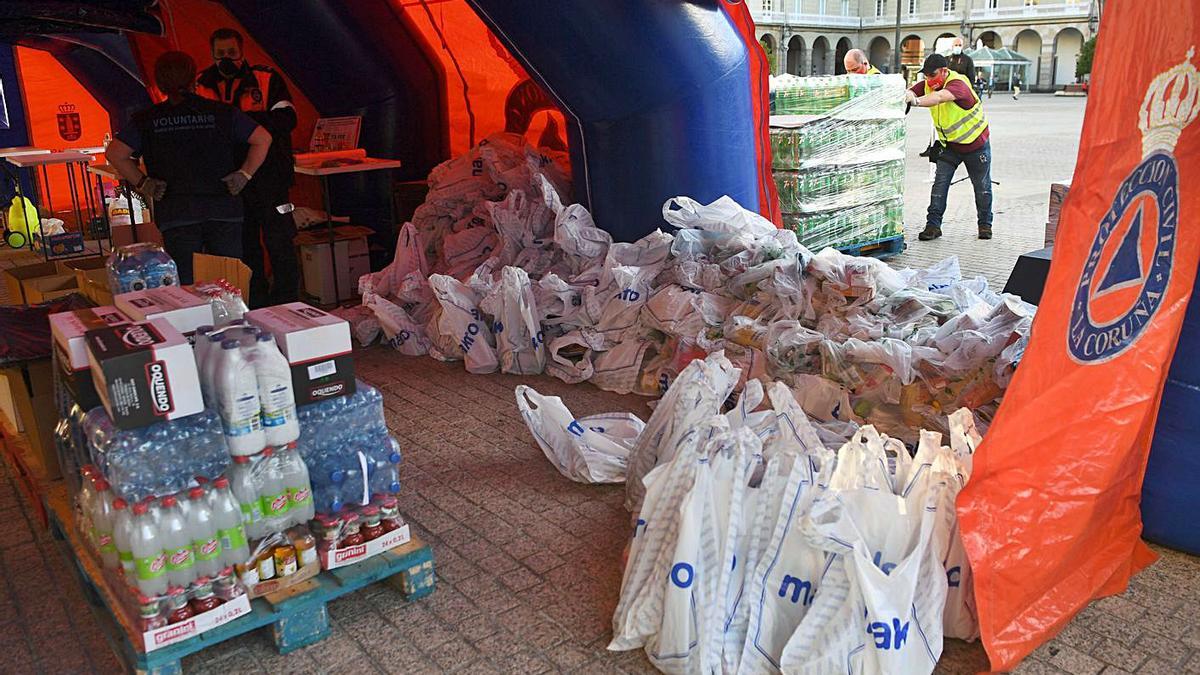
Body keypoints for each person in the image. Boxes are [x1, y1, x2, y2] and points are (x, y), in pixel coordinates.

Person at [106, 51, 271, 284]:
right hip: (222, 208)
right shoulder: (221, 112)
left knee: (186, 287)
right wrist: (244, 174)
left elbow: (115, 153)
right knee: (228, 285)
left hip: (177, 212)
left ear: (159, 82)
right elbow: (263, 139)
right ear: (194, 78)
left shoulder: (147, 119)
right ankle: (233, 320)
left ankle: (193, 320)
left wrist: (144, 183)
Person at [196, 28, 298, 307]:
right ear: (212, 55)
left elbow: (287, 118)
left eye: (231, 53)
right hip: (230, 180)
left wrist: (242, 124)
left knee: (280, 240)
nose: (226, 59)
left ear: (242, 52)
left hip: (271, 177)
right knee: (245, 244)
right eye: (220, 55)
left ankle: (288, 299)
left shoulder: (265, 78)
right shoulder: (201, 84)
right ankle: (256, 300)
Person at [904, 53, 993, 241]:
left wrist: (917, 101)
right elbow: (913, 90)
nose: (928, 79)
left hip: (975, 146)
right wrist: (909, 95)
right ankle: (933, 226)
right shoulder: (929, 83)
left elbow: (940, 97)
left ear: (944, 71)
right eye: (925, 76)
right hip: (950, 146)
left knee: (982, 187)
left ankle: (985, 225)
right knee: (939, 186)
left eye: (932, 75)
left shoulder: (958, 84)